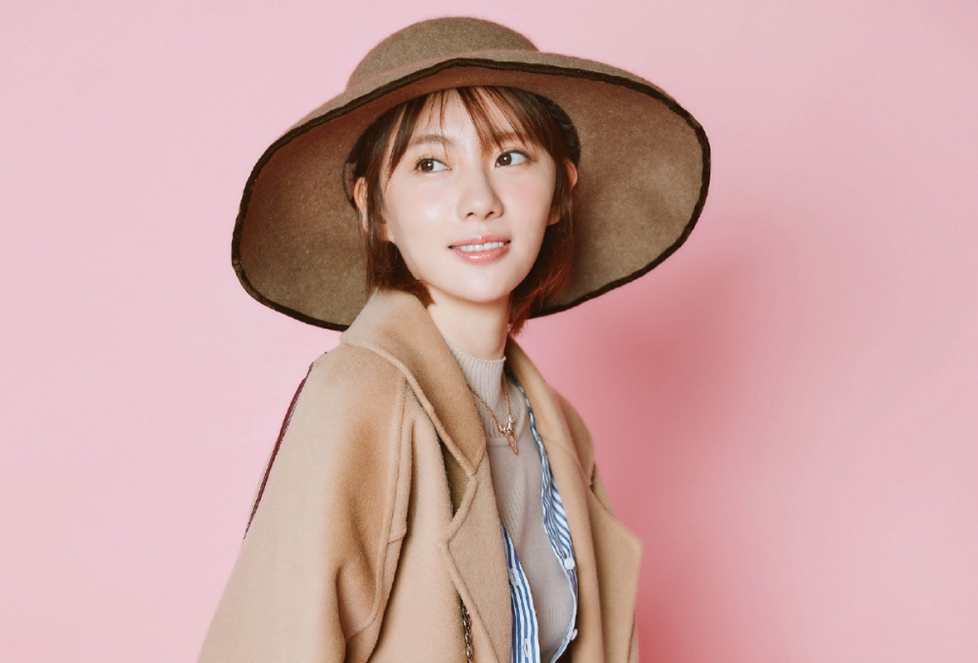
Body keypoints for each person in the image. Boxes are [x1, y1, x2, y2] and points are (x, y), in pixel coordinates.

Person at [199, 16, 709, 663]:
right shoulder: (361, 398)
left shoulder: (559, 432)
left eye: (510, 156)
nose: (478, 200)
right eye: (431, 163)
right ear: (374, 208)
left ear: (560, 190)